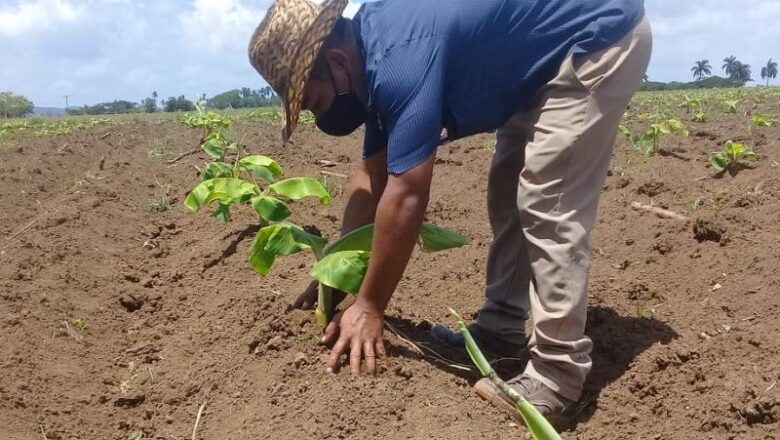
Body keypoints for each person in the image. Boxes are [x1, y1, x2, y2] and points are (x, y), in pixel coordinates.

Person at [248, 0, 651, 428]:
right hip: (540, 58)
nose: (318, 114)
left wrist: (369, 305)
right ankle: (500, 330)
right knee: (508, 191)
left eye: (313, 100)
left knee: (547, 197)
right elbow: (370, 179)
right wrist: (330, 269)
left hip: (595, 35)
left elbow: (406, 194)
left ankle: (557, 376)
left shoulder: (399, 59)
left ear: (337, 62)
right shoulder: (373, 51)